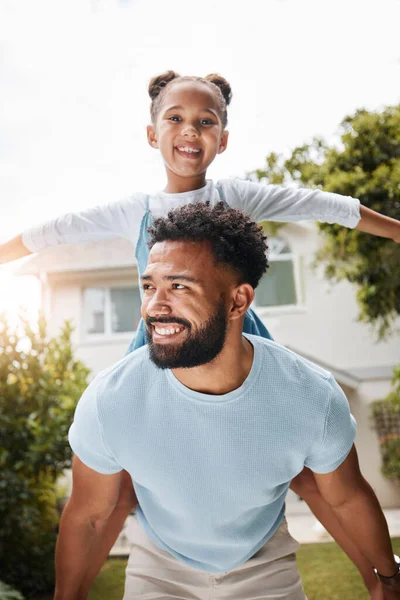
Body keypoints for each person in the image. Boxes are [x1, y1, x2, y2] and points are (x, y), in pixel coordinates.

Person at [1, 71, 399, 597]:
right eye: (175, 118)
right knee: (119, 488)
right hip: (161, 343)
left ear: (223, 140)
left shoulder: (235, 195)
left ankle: (381, 573)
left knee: (304, 467)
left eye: (205, 121)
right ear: (151, 133)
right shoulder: (134, 211)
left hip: (234, 335)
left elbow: (323, 205)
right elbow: (52, 231)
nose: (190, 130)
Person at [55, 202, 400, 600]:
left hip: (264, 563)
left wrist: (388, 578)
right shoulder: (110, 399)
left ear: (239, 301)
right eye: (150, 286)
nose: (154, 306)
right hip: (160, 568)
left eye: (179, 286)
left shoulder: (311, 396)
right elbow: (90, 517)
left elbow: (346, 496)